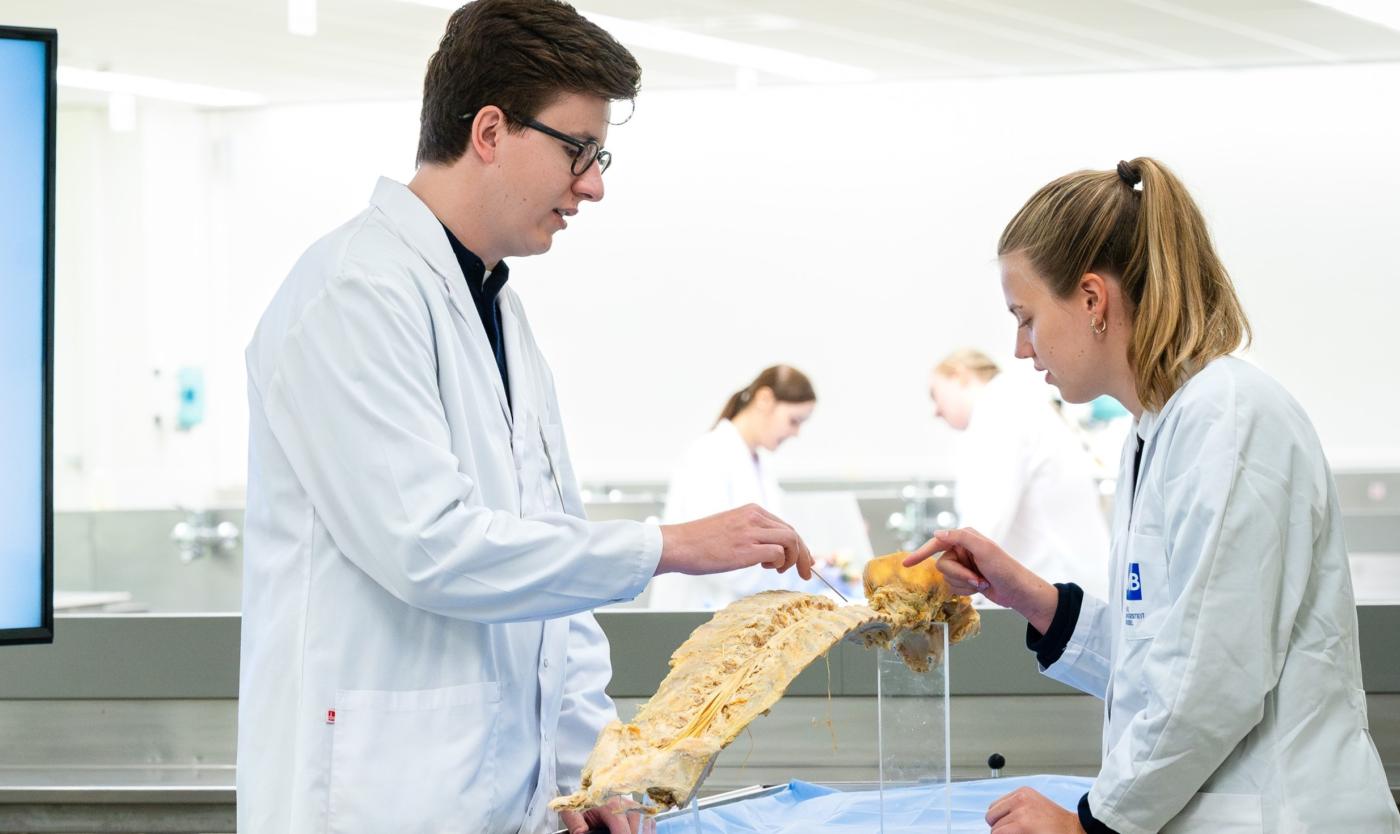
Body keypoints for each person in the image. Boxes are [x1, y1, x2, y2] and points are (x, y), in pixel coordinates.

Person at [237, 4, 812, 834]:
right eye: (579, 150)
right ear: (492, 131)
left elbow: (552, 581)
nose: (594, 183)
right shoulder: (353, 294)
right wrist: (669, 546)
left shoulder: (498, 312)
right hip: (377, 798)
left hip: (500, 798)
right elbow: (431, 548)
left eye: (599, 155)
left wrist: (595, 769)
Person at [907, 158, 1399, 833]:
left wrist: (1089, 823)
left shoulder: (1227, 416)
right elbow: (1161, 655)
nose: (1020, 348)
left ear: (1091, 299)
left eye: (1026, 317)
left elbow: (1209, 680)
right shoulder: (1157, 429)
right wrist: (1027, 594)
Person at [928, 348, 1110, 600]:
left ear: (960, 376)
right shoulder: (1018, 402)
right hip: (1073, 587)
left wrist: (937, 595)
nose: (936, 410)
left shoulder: (998, 410)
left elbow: (982, 527)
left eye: (934, 395)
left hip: (1059, 591)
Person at [648, 365, 831, 608]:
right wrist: (793, 572)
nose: (796, 433)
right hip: (699, 612)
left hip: (739, 613)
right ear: (765, 399)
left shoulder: (759, 463)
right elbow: (716, 555)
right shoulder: (709, 454)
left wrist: (807, 560)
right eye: (793, 421)